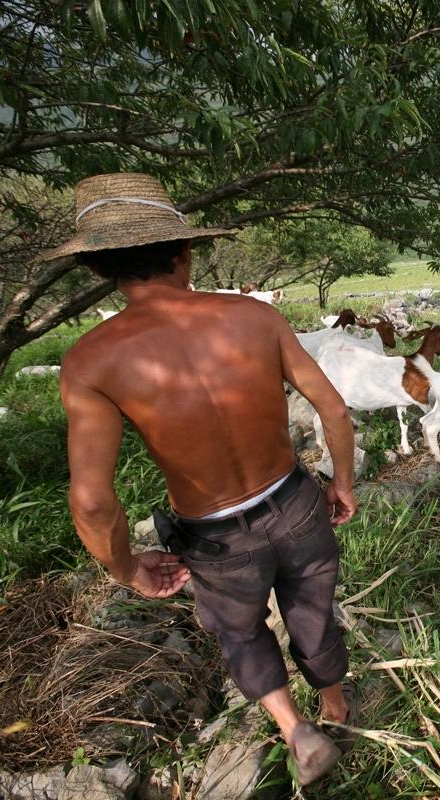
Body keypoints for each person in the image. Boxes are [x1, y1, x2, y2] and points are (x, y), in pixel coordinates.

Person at [47, 173, 357, 786]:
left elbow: (90, 500)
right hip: (295, 504)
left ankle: (296, 731)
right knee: (312, 607)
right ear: (185, 250)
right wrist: (342, 482)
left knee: (240, 632)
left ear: (97, 269)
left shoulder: (91, 359)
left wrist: (126, 567)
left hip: (215, 538)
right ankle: (337, 704)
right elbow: (336, 411)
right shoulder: (253, 316)